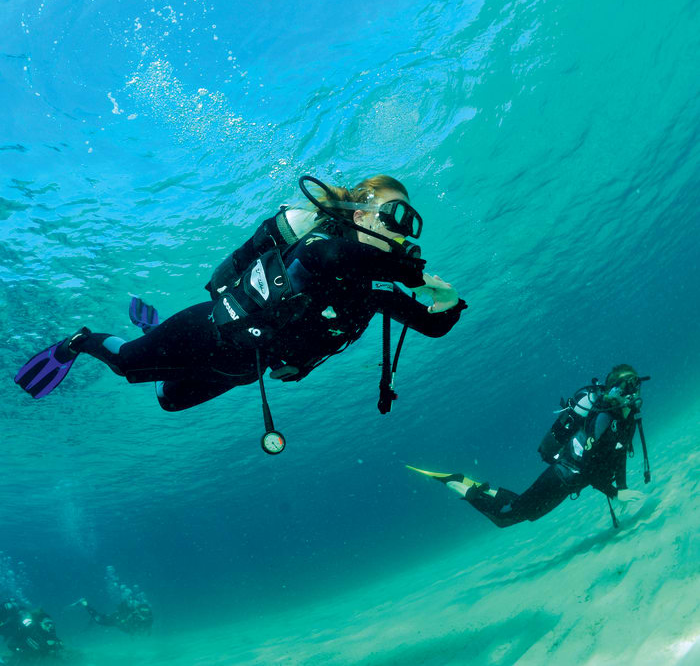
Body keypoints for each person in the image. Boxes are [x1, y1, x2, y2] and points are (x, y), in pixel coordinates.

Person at [15, 174, 466, 430]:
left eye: (410, 223)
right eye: (396, 216)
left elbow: (431, 326)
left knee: (168, 403)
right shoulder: (322, 245)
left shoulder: (372, 290)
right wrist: (410, 272)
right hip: (208, 328)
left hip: (244, 368)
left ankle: (153, 329)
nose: (404, 231)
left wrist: (449, 302)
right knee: (128, 366)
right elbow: (325, 256)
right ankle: (81, 339)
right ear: (363, 214)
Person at [409, 365, 651, 528]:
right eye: (625, 389)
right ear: (613, 391)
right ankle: (457, 483)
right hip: (561, 477)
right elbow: (588, 468)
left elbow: (619, 456)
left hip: (571, 482)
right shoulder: (604, 419)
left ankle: (484, 490)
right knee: (504, 518)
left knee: (524, 508)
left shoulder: (626, 418)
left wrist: (621, 488)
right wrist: (615, 493)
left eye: (635, 387)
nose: (632, 395)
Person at [72, 597, 152, 635]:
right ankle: (84, 603)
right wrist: (130, 632)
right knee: (98, 620)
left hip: (116, 617)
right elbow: (122, 625)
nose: (143, 616)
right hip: (115, 619)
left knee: (101, 617)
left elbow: (144, 628)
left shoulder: (147, 619)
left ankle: (87, 606)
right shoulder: (134, 616)